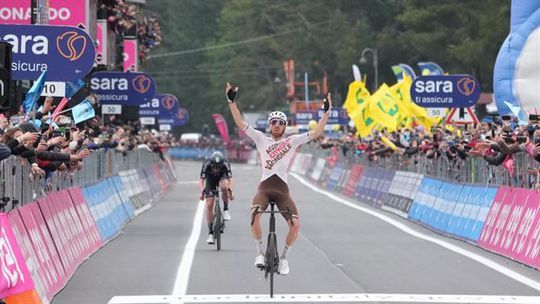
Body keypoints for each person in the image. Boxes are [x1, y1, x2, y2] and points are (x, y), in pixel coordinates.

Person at [225, 82, 332, 275]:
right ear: (269, 125)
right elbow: (241, 124)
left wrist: (326, 114)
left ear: (285, 126)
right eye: (273, 122)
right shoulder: (260, 138)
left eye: (281, 122)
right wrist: (231, 102)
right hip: (264, 190)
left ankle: (284, 259)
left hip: (283, 192)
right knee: (254, 216)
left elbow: (316, 133)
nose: (277, 125)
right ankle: (259, 252)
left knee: (296, 224)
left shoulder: (292, 141)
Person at [199, 151, 234, 244]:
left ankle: (226, 210)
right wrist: (202, 191)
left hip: (222, 178)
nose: (216, 169)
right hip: (210, 180)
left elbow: (230, 180)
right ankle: (210, 233)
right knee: (209, 203)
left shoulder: (226, 163)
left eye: (218, 167)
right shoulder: (206, 163)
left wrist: (230, 191)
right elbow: (201, 180)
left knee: (224, 187)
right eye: (214, 166)